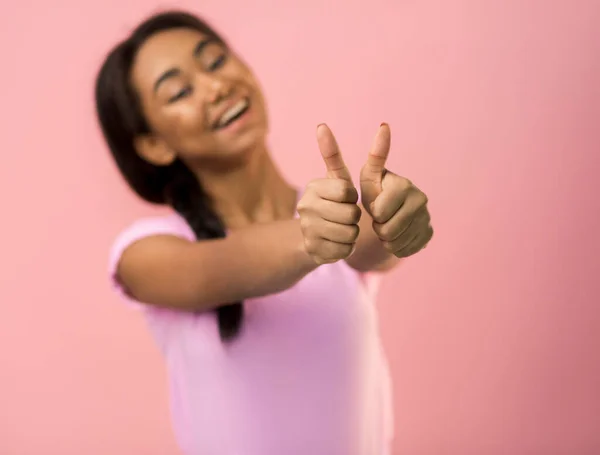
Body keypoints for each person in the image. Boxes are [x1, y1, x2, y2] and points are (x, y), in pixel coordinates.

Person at [95, 10, 433, 455]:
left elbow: (372, 242)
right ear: (154, 144)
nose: (216, 87)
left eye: (215, 61)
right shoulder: (146, 251)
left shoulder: (336, 217)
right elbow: (212, 269)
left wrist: (394, 219)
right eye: (179, 91)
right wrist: (312, 236)